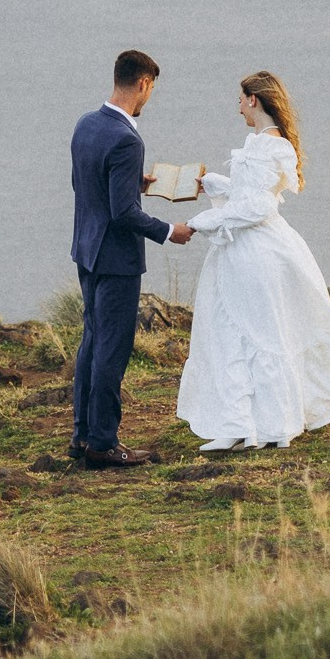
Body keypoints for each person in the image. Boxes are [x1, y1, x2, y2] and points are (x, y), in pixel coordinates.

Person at [177, 69, 330, 452]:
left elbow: (258, 205)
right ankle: (240, 423)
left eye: (240, 100)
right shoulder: (257, 142)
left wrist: (200, 222)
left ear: (253, 99)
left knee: (260, 333)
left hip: (257, 252)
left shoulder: (274, 147)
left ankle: (271, 425)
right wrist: (210, 184)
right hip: (239, 251)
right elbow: (246, 193)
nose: (238, 108)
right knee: (230, 332)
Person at [68, 46, 194, 470]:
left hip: (86, 250)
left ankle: (82, 434)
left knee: (90, 342)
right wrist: (167, 231)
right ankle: (104, 443)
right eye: (151, 89)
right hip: (117, 259)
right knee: (112, 349)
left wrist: (129, 183)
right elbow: (123, 215)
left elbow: (84, 184)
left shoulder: (87, 125)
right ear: (142, 83)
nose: (149, 98)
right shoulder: (126, 138)